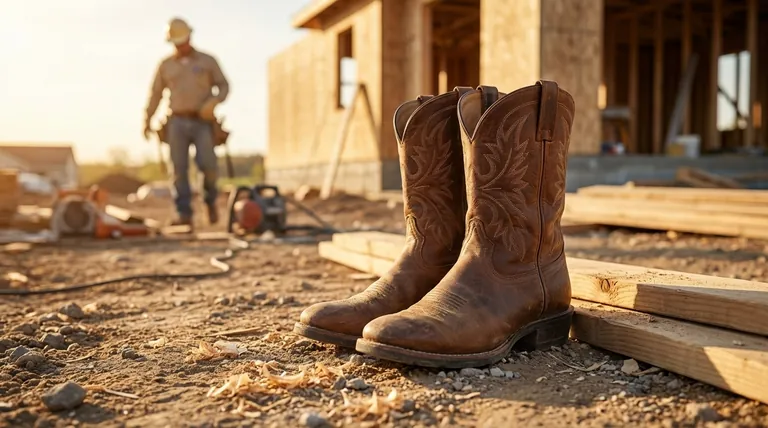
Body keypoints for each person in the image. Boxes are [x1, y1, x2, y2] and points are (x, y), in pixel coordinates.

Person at [144, 17, 229, 227]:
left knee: (208, 166)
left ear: (190, 37)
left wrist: (213, 102)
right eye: (176, 43)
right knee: (178, 170)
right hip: (177, 123)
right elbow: (155, 94)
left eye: (183, 41)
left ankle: (210, 202)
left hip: (203, 122)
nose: (180, 46)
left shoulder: (207, 61)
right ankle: (184, 214)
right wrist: (147, 118)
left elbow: (224, 86)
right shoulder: (165, 66)